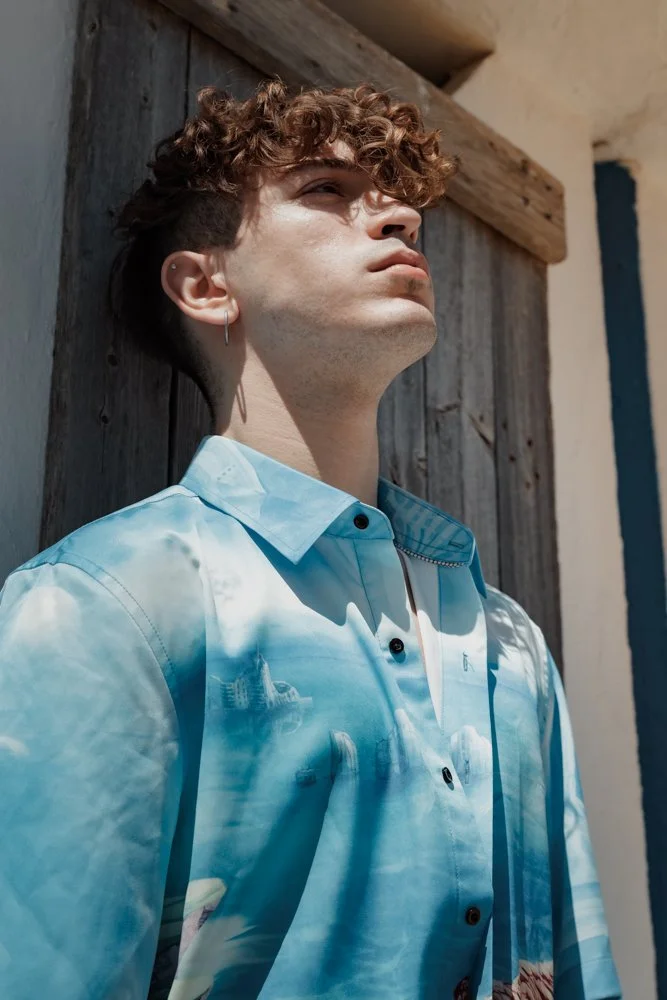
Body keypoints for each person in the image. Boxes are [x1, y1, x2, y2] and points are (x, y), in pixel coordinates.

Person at [0, 78, 622, 1000]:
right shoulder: (101, 602)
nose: (397, 214)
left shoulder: (507, 644)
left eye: (397, 196)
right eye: (326, 191)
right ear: (208, 287)